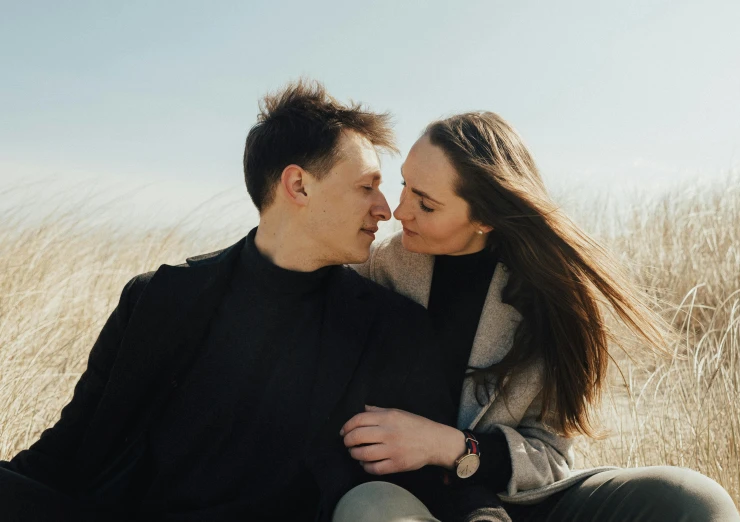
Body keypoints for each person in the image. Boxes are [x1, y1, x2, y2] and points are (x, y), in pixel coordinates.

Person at [0, 80, 457, 521]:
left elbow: (426, 494)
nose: (386, 208)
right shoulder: (157, 299)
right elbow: (63, 454)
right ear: (297, 185)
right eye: (366, 186)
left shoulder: (394, 328)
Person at [337, 112, 740, 521]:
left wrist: (450, 446)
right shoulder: (377, 271)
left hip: (522, 503)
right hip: (408, 503)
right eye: (405, 184)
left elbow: (549, 456)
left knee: (694, 500)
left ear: (484, 219)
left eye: (425, 203)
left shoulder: (554, 301)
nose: (398, 211)